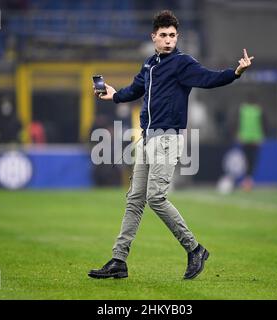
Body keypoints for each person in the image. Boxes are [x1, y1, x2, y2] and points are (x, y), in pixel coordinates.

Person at [88, 10, 253, 280]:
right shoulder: (149, 64)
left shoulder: (182, 63)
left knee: (155, 197)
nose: (168, 40)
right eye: (163, 35)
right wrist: (114, 95)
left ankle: (194, 249)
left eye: (172, 35)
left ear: (177, 38)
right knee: (134, 200)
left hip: (167, 138)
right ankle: (119, 260)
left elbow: (209, 78)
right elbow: (133, 90)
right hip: (147, 138)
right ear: (153, 37)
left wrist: (235, 72)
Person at [235, 94, 266, 191]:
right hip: (255, 139)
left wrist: (239, 134)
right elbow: (264, 124)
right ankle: (248, 181)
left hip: (245, 138)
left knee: (247, 161)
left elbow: (237, 122)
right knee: (252, 161)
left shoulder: (243, 109)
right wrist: (261, 136)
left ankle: (247, 181)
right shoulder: (258, 110)